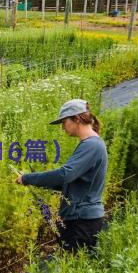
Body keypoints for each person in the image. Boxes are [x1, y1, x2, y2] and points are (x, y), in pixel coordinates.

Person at [15, 99, 108, 253]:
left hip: (82, 221)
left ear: (76, 119)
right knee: (77, 267)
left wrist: (29, 178)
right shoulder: (90, 144)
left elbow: (65, 174)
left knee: (76, 269)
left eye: (64, 122)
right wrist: (34, 181)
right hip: (82, 219)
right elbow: (69, 181)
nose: (62, 128)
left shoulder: (91, 145)